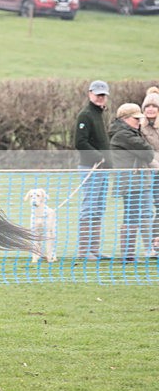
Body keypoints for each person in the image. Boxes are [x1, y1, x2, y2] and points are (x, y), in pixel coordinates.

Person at [108, 103, 158, 263]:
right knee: (132, 216)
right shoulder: (124, 135)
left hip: (136, 181)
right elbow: (148, 152)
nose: (139, 122)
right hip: (132, 182)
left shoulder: (128, 132)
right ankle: (128, 255)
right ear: (125, 118)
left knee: (135, 216)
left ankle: (131, 254)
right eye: (135, 118)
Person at [74, 80, 113, 260]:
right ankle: (84, 250)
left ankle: (94, 249)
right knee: (89, 208)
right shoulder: (86, 115)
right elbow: (80, 142)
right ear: (90, 94)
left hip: (102, 169)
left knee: (98, 208)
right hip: (91, 167)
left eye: (103, 95)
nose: (100, 98)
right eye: (97, 94)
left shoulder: (99, 114)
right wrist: (99, 157)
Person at [139, 87, 159, 256]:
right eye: (147, 107)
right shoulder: (140, 127)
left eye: (154, 106)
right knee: (150, 208)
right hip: (149, 172)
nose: (150, 109)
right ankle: (153, 243)